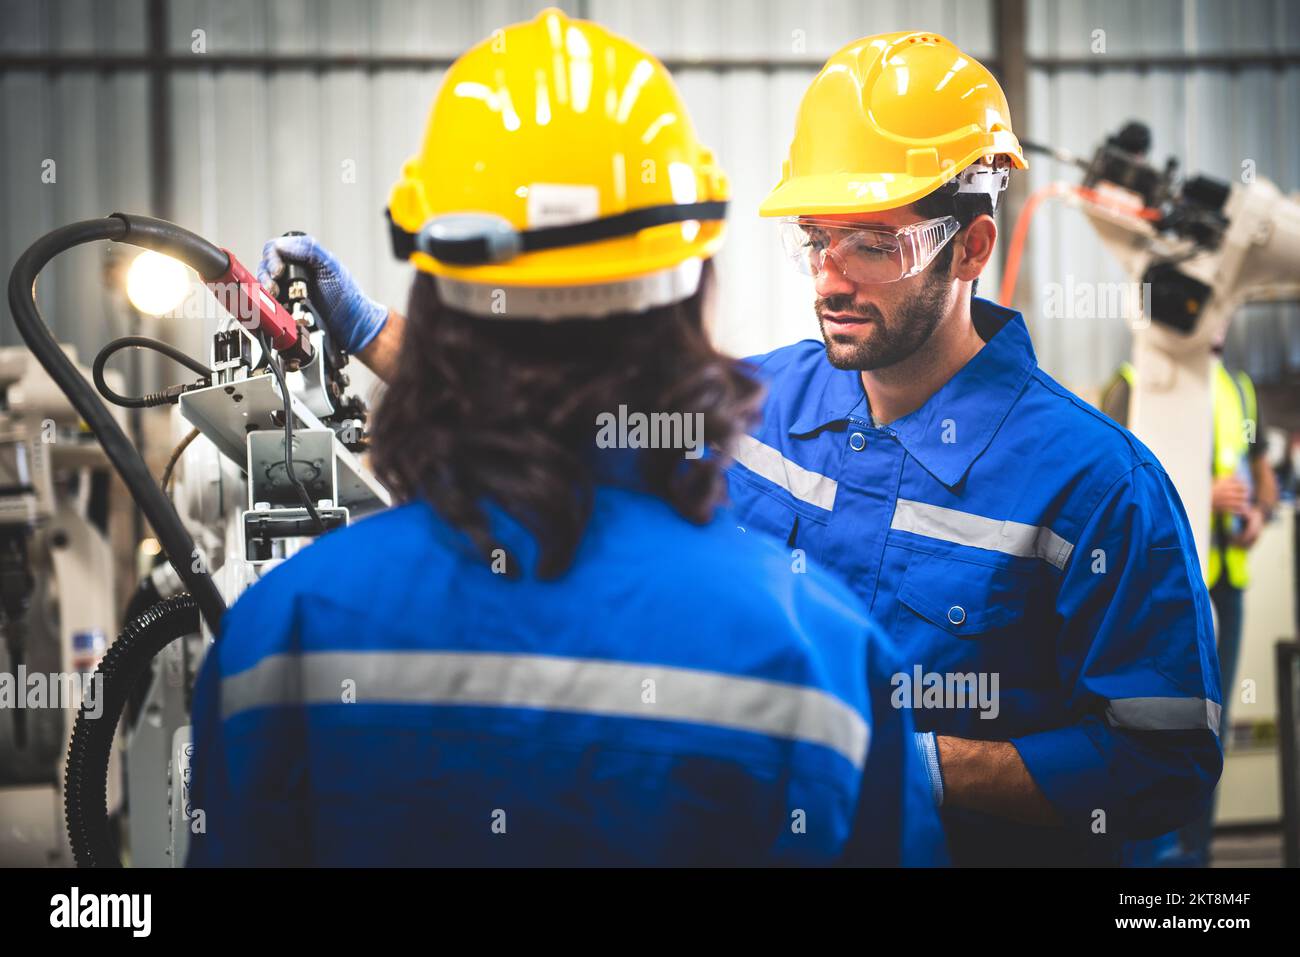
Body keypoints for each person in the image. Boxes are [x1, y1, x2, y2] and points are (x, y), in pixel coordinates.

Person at [187, 9, 945, 867]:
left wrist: (372, 332)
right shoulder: (820, 661)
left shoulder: (281, 642)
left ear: (441, 303)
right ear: (690, 293)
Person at [721, 31, 1222, 866]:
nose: (828, 278)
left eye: (874, 243)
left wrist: (925, 768)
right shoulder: (748, 409)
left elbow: (1164, 757)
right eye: (817, 237)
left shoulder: (1097, 488)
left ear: (972, 247)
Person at [1102, 355, 1279, 865]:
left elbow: (1261, 471)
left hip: (1226, 584)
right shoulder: (1131, 387)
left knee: (1209, 733)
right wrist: (1203, 495)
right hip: (1159, 588)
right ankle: (1153, 856)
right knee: (1152, 729)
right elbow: (1118, 488)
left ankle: (1195, 857)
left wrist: (1259, 512)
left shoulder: (1236, 386)